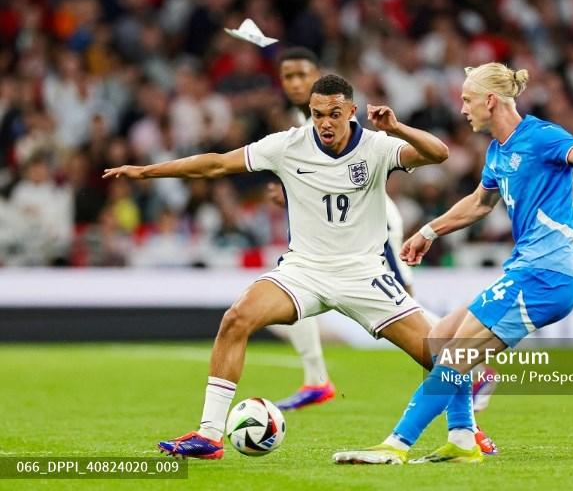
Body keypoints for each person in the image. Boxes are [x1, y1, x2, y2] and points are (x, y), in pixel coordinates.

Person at [104, 74, 485, 460]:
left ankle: (466, 435)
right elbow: (217, 165)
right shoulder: (288, 145)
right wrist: (147, 171)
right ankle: (209, 436)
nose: (326, 123)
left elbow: (439, 154)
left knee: (444, 355)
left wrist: (397, 127)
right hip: (303, 271)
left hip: (363, 274)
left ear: (352, 111)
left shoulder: (377, 146)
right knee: (237, 318)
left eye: (335, 114)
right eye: (318, 114)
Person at [333, 63, 573, 465]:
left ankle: (396, 445)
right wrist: (428, 233)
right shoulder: (497, 151)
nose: (464, 108)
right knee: (438, 340)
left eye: (468, 100)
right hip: (526, 271)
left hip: (545, 275)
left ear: (490, 100)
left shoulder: (539, 136)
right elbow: (479, 203)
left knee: (456, 354)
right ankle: (463, 439)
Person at [266, 48, 416, 411]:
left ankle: (471, 367)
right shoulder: (302, 125)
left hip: (373, 226)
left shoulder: (338, 118)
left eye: (303, 75)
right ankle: (316, 381)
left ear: (317, 76)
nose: (296, 83)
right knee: (288, 272)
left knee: (407, 307)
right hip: (337, 228)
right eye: (288, 77)